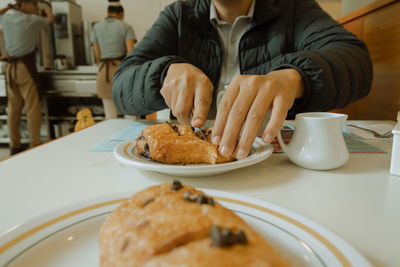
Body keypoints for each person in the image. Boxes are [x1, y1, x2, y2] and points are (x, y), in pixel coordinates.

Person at [112, 0, 373, 160]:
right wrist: (163, 72)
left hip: (274, 165)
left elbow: (357, 62)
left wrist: (293, 77)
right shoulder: (178, 15)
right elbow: (122, 86)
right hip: (187, 175)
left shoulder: (294, 8)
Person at [0, 0, 55, 155]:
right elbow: (51, 21)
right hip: (24, 67)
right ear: (24, 4)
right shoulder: (30, 20)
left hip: (9, 67)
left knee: (14, 108)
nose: (36, 8)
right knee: (32, 106)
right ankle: (35, 144)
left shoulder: (7, 17)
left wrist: (10, 7)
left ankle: (14, 144)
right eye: (34, 5)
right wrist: (48, 11)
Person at [91, 0, 136, 119]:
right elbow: (131, 51)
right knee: (130, 113)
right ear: (121, 14)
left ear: (107, 12)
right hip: (121, 71)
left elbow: (97, 54)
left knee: (110, 115)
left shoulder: (96, 27)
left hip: (103, 72)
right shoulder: (126, 26)